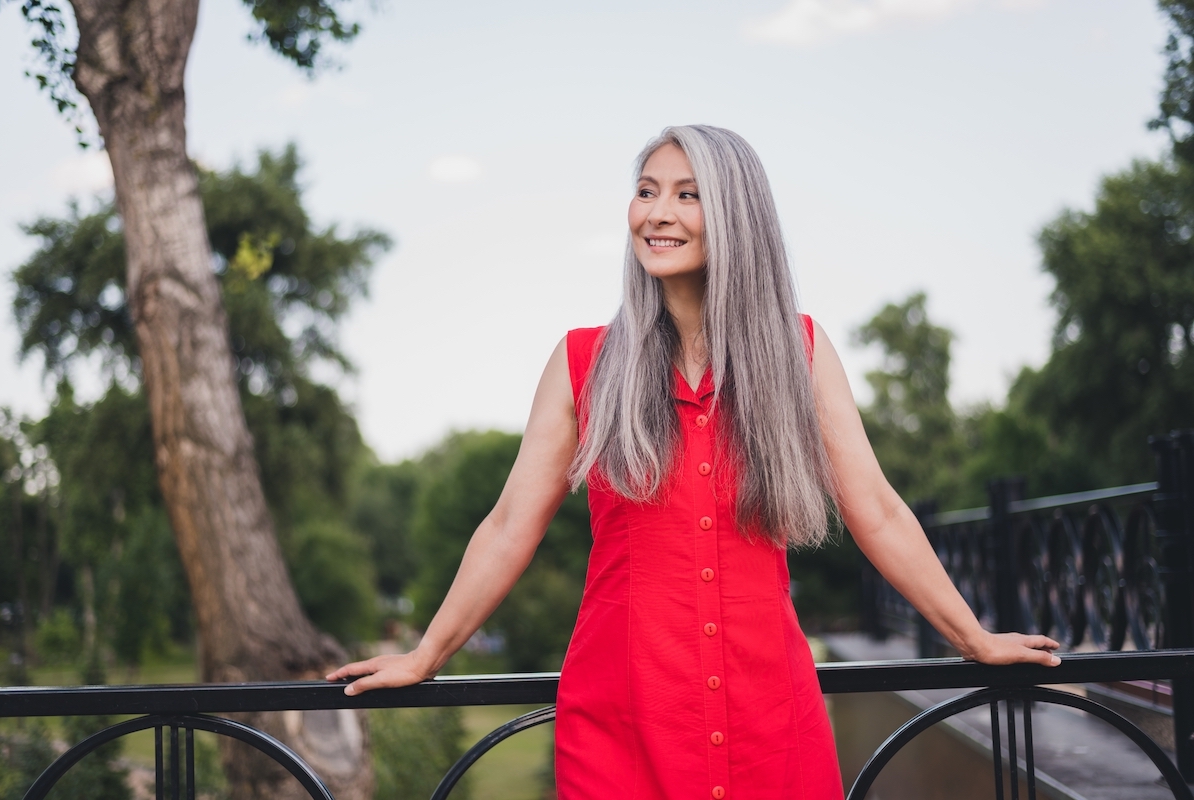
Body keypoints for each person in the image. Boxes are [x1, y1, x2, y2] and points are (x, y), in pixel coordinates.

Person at [327, 125, 1061, 799]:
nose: (657, 213)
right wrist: (427, 654)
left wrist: (973, 638)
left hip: (772, 726)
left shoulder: (799, 353)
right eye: (646, 191)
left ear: (737, 216)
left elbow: (877, 507)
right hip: (622, 726)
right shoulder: (583, 362)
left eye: (687, 195)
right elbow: (511, 522)